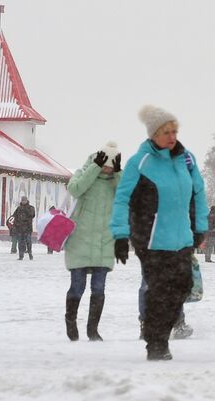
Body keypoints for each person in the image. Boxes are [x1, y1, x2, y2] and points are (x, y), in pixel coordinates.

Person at [111, 104, 208, 362]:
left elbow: (198, 192)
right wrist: (120, 235)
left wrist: (200, 226)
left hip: (182, 238)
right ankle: (157, 343)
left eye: (174, 131)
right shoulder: (139, 162)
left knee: (183, 285)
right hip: (151, 238)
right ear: (153, 134)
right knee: (158, 290)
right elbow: (122, 199)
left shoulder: (187, 160)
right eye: (165, 132)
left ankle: (159, 333)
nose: (172, 136)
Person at [63, 142, 121, 341]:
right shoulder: (84, 172)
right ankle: (70, 321)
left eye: (112, 164)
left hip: (104, 242)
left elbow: (126, 195)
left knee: (98, 288)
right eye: (106, 163)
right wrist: (95, 167)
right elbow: (76, 189)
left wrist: (119, 171)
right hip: (79, 240)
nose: (108, 167)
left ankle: (92, 329)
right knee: (77, 286)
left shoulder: (115, 181)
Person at [8, 195, 36, 260]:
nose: (23, 202)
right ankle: (21, 255)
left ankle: (30, 253)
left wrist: (25, 209)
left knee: (28, 242)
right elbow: (14, 216)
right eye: (22, 200)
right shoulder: (19, 208)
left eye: (25, 200)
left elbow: (32, 215)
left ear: (27, 201)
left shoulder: (31, 208)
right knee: (20, 243)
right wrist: (15, 225)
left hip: (27, 228)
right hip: (20, 228)